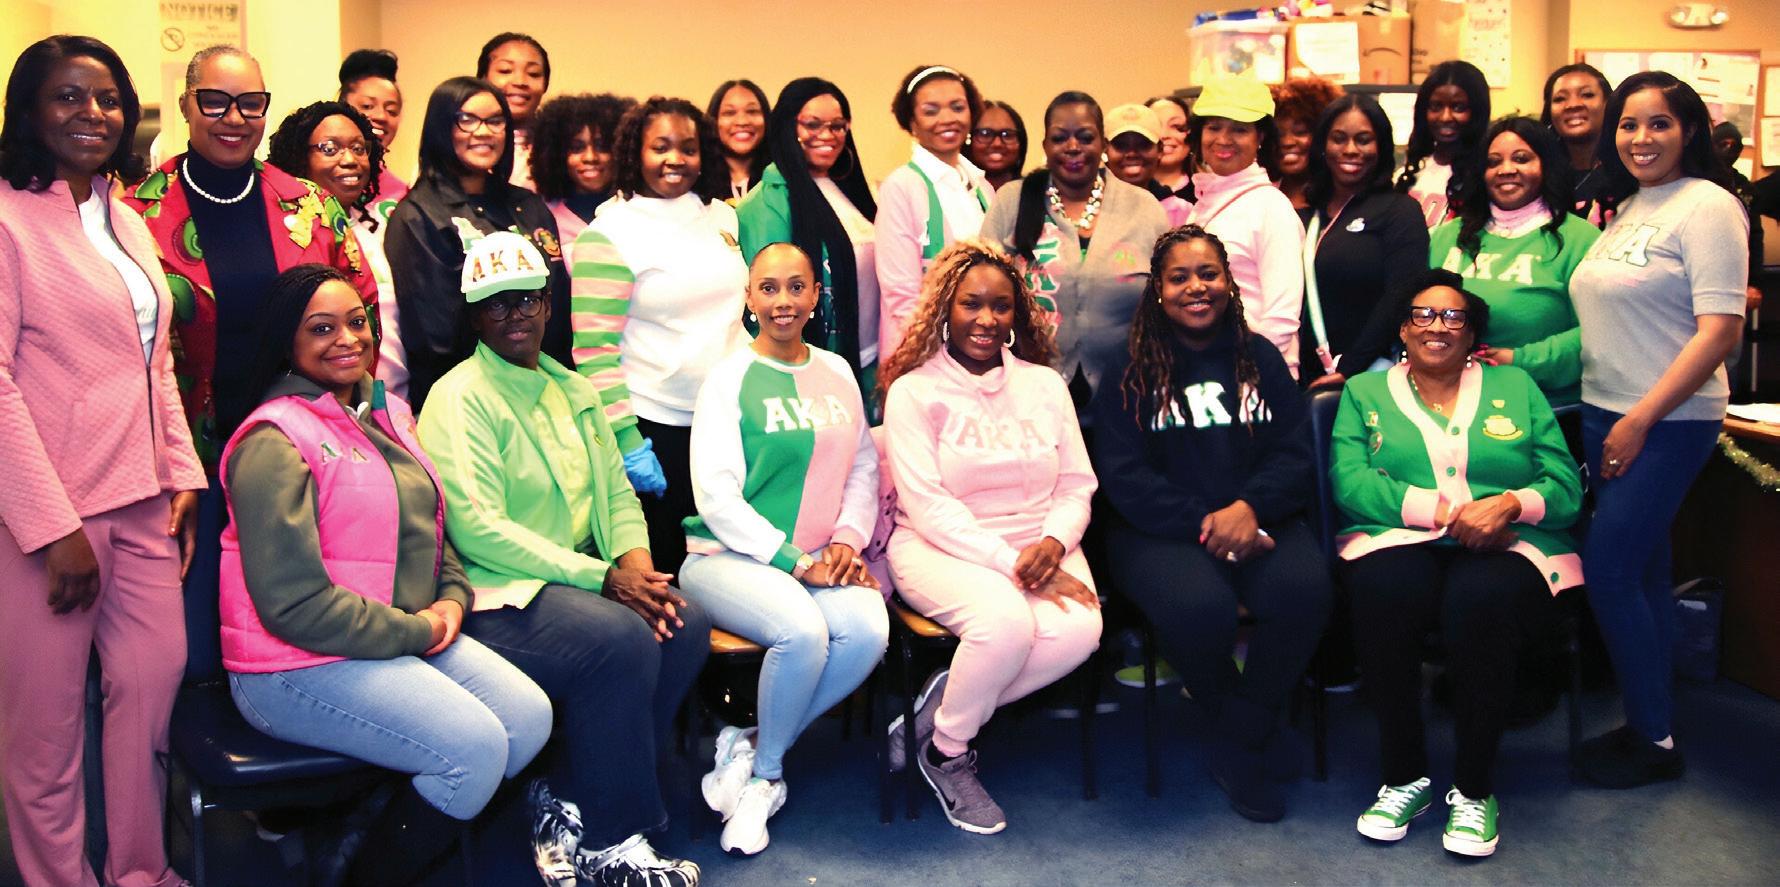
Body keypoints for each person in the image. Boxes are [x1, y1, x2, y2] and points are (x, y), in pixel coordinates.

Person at [219, 264, 551, 885]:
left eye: (357, 321)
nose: (347, 338)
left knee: (528, 719)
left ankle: (358, 834)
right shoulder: (273, 439)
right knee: (475, 749)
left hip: (387, 635)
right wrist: (418, 631)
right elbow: (291, 607)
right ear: (287, 342)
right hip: (291, 663)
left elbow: (431, 525)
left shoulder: (386, 412)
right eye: (322, 328)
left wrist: (452, 598)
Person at [418, 231, 708, 886]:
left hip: (574, 583)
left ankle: (569, 797)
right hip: (497, 593)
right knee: (620, 639)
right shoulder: (458, 397)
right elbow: (479, 529)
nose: (515, 314)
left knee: (682, 621)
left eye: (528, 299)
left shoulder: (573, 388)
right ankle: (611, 841)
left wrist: (636, 569)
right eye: (497, 304)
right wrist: (603, 578)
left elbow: (618, 496)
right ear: (474, 317)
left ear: (549, 305)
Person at [0, 35, 205, 887]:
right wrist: (54, 530)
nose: (93, 113)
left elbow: (153, 361)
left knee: (151, 696)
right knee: (45, 735)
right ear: (28, 110)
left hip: (144, 502)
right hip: (48, 523)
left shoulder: (123, 215)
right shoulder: (7, 219)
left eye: (108, 98)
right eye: (68, 96)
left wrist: (181, 470)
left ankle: (140, 873)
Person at [1334, 269, 1584, 858]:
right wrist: (1445, 512)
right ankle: (1404, 778)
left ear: (1472, 333)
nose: (1437, 326)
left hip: (1511, 543)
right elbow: (1349, 481)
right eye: (1422, 314)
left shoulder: (1516, 385)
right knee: (1381, 588)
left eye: (1454, 317)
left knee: (1481, 599)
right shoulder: (1363, 392)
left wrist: (1511, 503)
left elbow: (1565, 485)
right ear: (1402, 328)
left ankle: (1474, 788)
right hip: (1399, 538)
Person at [1092, 226, 1330, 823]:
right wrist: (1205, 522)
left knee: (1304, 591)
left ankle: (1238, 733)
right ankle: (1247, 734)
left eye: (1208, 274)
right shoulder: (1128, 366)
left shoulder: (1260, 357)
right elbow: (1123, 474)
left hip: (1257, 515)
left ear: (1228, 281)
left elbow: (1295, 453)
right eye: (1179, 277)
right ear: (1158, 289)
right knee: (1201, 608)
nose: (1196, 287)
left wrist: (1250, 508)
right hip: (1157, 529)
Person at [878, 239, 1102, 835]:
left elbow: (1076, 483)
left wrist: (1054, 544)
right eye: (971, 304)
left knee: (1080, 630)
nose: (986, 319)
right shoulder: (914, 391)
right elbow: (928, 506)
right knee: (1005, 623)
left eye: (1001, 306)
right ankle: (949, 754)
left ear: (1017, 314)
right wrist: (1014, 563)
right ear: (944, 310)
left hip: (1040, 544)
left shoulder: (1045, 386)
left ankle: (938, 718)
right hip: (939, 546)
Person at [1568, 71, 1747, 789]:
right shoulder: (1632, 206)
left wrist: (1641, 418)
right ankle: (1653, 718)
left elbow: (1720, 331)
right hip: (1604, 409)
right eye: (1629, 124)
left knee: (1610, 570)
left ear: (1690, 130)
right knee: (1644, 571)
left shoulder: (1710, 206)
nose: (1641, 138)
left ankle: (1653, 738)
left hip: (1667, 419)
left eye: (1659, 123)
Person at [680, 243, 888, 855]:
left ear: (816, 296)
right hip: (724, 559)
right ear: (749, 297)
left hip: (821, 557)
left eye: (797, 287)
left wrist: (848, 541)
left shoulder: (838, 371)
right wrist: (797, 561)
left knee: (869, 632)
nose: (783, 301)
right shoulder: (728, 378)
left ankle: (749, 745)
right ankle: (767, 778)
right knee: (803, 632)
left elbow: (863, 467)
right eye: (768, 288)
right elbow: (716, 499)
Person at [124, 44, 378, 465]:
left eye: (251, 103)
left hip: (312, 446)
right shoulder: (136, 215)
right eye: (214, 101)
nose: (235, 118)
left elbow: (364, 314)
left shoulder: (312, 206)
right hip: (187, 451)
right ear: (185, 105)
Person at [571, 96, 747, 575]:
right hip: (655, 426)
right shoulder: (609, 232)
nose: (675, 159)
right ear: (636, 152)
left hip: (726, 419)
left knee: (729, 566)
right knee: (671, 571)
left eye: (688, 148)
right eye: (661, 147)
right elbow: (594, 351)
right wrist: (627, 441)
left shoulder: (724, 217)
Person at [383, 75, 570, 412]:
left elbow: (557, 303)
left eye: (495, 120)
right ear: (441, 128)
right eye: (467, 120)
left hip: (547, 390)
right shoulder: (418, 216)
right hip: (470, 402)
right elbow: (435, 338)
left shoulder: (529, 205)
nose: (484, 132)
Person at [979, 91, 1168, 413]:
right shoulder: (1012, 201)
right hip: (1028, 396)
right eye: (1059, 138)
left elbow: (1167, 299)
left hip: (1127, 395)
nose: (1072, 147)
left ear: (1103, 143)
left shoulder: (1145, 208)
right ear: (1045, 146)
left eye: (1085, 137)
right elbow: (982, 288)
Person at [1438, 116, 1601, 406]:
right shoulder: (1446, 235)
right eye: (1493, 162)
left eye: (1521, 159)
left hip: (1543, 406)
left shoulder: (1581, 239)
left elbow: (1597, 331)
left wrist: (1519, 360)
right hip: (1445, 400)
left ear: (1546, 165)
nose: (1506, 170)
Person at [737, 78, 881, 395]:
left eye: (837, 126)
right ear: (788, 128)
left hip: (868, 362)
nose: (827, 136)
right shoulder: (767, 202)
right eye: (813, 125)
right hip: (810, 373)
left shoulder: (852, 191)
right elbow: (768, 304)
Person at [268, 101, 415, 402]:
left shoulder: (379, 226)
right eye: (330, 149)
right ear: (300, 157)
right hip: (321, 401)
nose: (350, 160)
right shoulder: (292, 235)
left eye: (359, 148)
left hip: (391, 399)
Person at [1299, 93, 1429, 388]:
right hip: (1300, 377)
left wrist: (1350, 368)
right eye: (1339, 139)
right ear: (1323, 145)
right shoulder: (1306, 215)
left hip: (1368, 376)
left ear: (1381, 146)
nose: (1350, 149)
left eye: (1363, 140)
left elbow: (1401, 294)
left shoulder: (1400, 211)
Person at [1183, 75, 1305, 376]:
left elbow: (1282, 316)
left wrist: (1247, 373)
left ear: (1260, 137)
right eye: (1214, 127)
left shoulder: (1271, 207)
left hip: (1256, 375)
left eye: (1239, 129)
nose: (1223, 139)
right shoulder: (1202, 204)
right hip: (1207, 372)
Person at [876, 65, 994, 363]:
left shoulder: (982, 186)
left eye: (957, 107)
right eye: (931, 111)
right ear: (911, 122)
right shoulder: (901, 186)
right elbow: (901, 295)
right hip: (923, 354)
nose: (947, 118)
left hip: (980, 347)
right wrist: (939, 355)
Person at [530, 92, 634, 245]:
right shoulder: (543, 217)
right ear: (556, 154)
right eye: (577, 148)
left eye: (602, 147)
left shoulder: (636, 209)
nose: (590, 157)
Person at [1396, 60, 1491, 227]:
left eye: (1458, 107)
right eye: (1436, 106)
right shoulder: (1406, 173)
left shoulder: (1487, 174)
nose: (1445, 117)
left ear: (1477, 112)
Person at [1541, 63, 1613, 226]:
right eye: (1560, 99)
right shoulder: (1538, 173)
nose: (1573, 105)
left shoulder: (1629, 170)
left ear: (1608, 103)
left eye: (1587, 95)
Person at [476, 32, 549, 191]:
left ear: (545, 85)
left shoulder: (559, 145)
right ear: (482, 79)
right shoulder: (463, 141)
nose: (520, 82)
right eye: (505, 70)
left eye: (533, 74)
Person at [1102, 103, 1190, 226]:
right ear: (1105, 149)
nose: (1132, 153)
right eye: (1121, 145)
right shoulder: (1088, 205)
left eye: (1143, 145)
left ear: (1160, 149)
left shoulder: (1180, 212)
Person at [339, 48, 406, 207]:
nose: (381, 116)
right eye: (367, 106)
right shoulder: (314, 184)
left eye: (391, 110)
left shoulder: (402, 196)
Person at [1711, 121, 1765, 311]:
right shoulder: (1696, 181)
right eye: (1723, 144)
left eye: (1734, 146)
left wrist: (1754, 283)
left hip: (1737, 275)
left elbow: (1755, 236)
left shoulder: (1745, 188)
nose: (1729, 150)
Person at [1270, 76, 1344, 210]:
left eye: (1300, 132)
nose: (1287, 142)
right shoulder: (1258, 196)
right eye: (1278, 134)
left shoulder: (1342, 199)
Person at [707, 79, 770, 201]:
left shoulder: (782, 177)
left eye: (752, 111)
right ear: (714, 120)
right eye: (729, 113)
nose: (742, 121)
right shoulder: (697, 180)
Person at [970, 99, 1027, 194]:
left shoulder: (1034, 193)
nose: (997, 144)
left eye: (1007, 135)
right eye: (985, 134)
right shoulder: (954, 192)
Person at [1146, 96, 1192, 197]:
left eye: (1176, 126)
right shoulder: (1123, 191)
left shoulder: (1209, 191)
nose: (1164, 135)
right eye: (1156, 126)